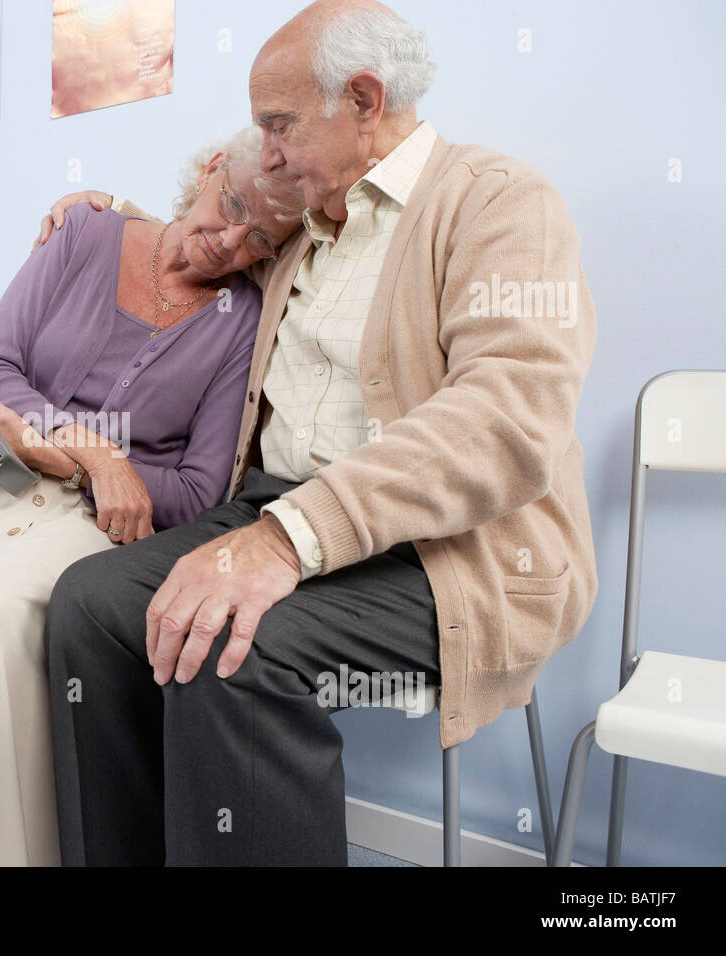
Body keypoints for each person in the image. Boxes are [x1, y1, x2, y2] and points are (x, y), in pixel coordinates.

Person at [39, 0, 599, 865]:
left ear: (364, 100)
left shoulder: (500, 203)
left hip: (445, 552)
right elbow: (213, 227)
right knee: (93, 603)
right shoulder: (305, 226)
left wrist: (288, 540)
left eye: (278, 125)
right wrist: (106, 213)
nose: (264, 151)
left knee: (235, 648)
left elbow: (506, 422)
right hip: (273, 512)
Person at [0, 126, 301, 866]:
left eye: (257, 237)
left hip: (101, 522)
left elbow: (200, 490)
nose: (229, 239)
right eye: (228, 205)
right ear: (206, 171)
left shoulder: (242, 324)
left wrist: (80, 472)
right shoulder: (85, 233)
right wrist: (94, 451)